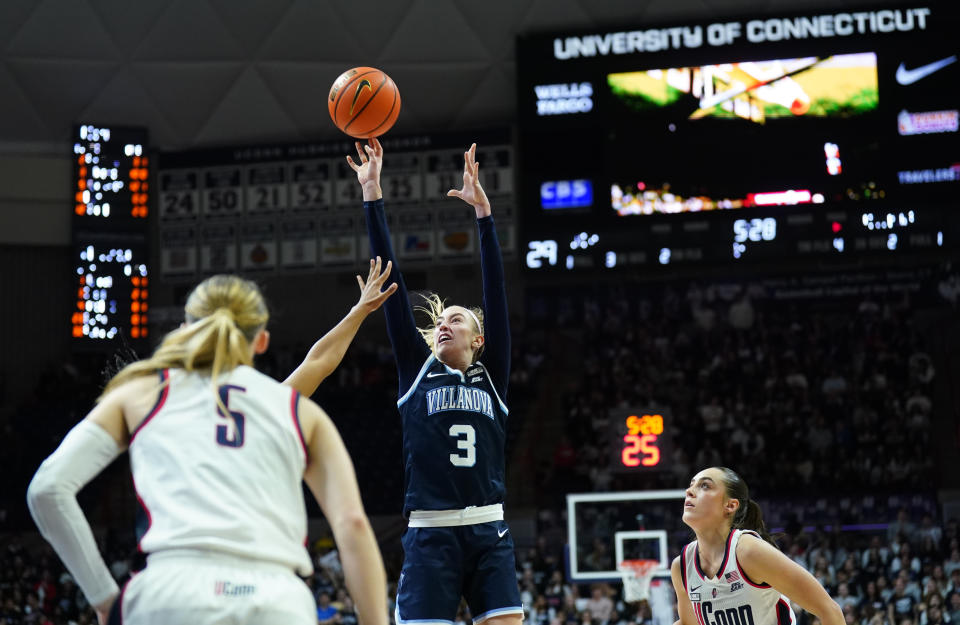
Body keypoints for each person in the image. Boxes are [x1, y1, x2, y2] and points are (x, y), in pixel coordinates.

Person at [27, 274, 390, 625]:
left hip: (169, 592)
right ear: (261, 341)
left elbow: (47, 490)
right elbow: (354, 525)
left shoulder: (142, 394)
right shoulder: (292, 409)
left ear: (185, 330)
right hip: (275, 597)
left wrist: (104, 598)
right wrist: (358, 311)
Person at [347, 138, 523, 625]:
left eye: (459, 318)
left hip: (489, 530)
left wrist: (484, 216)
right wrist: (372, 194)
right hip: (430, 534)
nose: (446, 322)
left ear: (480, 338)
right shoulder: (415, 370)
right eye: (441, 319)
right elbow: (392, 282)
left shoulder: (494, 375)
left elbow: (497, 292)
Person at [671, 467, 844, 625]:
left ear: (730, 505)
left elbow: (829, 610)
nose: (689, 491)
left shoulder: (749, 551)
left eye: (705, 486)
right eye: (691, 485)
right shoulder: (682, 566)